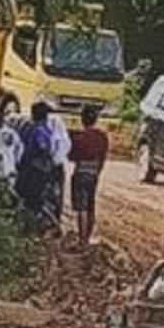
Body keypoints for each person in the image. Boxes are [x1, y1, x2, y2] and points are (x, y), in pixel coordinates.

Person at [69, 105, 110, 247]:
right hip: (94, 173)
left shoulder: (78, 137)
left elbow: (72, 156)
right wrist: (98, 170)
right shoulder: (102, 137)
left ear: (82, 119)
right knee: (91, 205)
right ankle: (88, 237)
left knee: (82, 207)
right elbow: (103, 156)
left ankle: (82, 240)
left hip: (80, 172)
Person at [17, 102, 57, 232]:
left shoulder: (28, 128)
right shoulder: (42, 130)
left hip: (27, 167)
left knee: (27, 199)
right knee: (34, 201)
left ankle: (28, 228)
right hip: (37, 169)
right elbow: (42, 147)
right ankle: (33, 229)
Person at [45, 109, 72, 227]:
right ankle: (56, 219)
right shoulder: (61, 135)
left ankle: (49, 220)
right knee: (57, 193)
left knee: (47, 192)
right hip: (58, 166)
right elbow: (66, 149)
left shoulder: (45, 132)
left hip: (47, 166)